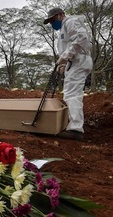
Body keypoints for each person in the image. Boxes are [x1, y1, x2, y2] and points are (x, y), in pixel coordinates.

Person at [44, 7, 93, 140]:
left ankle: (76, 129)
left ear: (60, 15)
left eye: (53, 20)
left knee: (72, 94)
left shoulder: (70, 22)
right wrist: (63, 64)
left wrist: (65, 56)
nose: (53, 23)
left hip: (79, 61)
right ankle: (74, 124)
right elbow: (71, 45)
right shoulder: (63, 29)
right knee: (70, 93)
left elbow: (81, 37)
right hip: (75, 62)